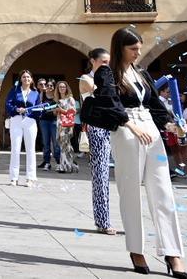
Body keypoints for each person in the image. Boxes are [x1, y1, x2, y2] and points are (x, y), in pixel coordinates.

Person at [94, 28, 187, 278]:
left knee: (163, 191)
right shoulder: (107, 73)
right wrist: (130, 125)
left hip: (151, 129)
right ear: (120, 48)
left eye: (139, 48)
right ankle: (136, 249)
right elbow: (109, 101)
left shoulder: (142, 73)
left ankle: (172, 252)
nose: (138, 52)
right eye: (133, 48)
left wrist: (171, 125)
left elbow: (156, 105)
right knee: (131, 190)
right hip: (126, 130)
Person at [79, 48, 116, 235]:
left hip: (115, 126)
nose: (107, 66)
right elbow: (103, 93)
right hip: (98, 126)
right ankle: (103, 220)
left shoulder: (112, 78)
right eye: (103, 62)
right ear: (92, 61)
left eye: (109, 62)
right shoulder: (86, 79)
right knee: (101, 174)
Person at [5, 70, 40, 187]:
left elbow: (39, 108)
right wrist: (16, 109)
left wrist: (30, 112)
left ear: (31, 79)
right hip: (16, 120)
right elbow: (8, 103)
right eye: (24, 77)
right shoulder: (14, 90)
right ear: (20, 79)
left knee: (30, 149)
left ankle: (30, 178)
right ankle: (13, 178)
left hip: (30, 121)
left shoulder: (35, 93)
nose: (26, 79)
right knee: (15, 148)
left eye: (28, 77)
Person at [54, 80, 79, 174]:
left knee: (65, 145)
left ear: (66, 88)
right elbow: (57, 113)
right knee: (64, 145)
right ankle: (72, 165)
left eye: (63, 87)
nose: (62, 88)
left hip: (67, 125)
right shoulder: (58, 100)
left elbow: (73, 111)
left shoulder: (70, 99)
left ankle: (64, 166)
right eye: (60, 87)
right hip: (59, 124)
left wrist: (61, 110)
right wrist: (56, 111)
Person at [38, 78, 60, 170]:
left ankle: (58, 162)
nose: (49, 87)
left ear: (54, 87)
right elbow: (39, 105)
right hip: (44, 121)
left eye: (51, 85)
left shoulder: (56, 96)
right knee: (45, 142)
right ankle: (47, 162)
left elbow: (59, 108)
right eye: (48, 85)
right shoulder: (42, 95)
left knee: (56, 143)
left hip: (54, 121)